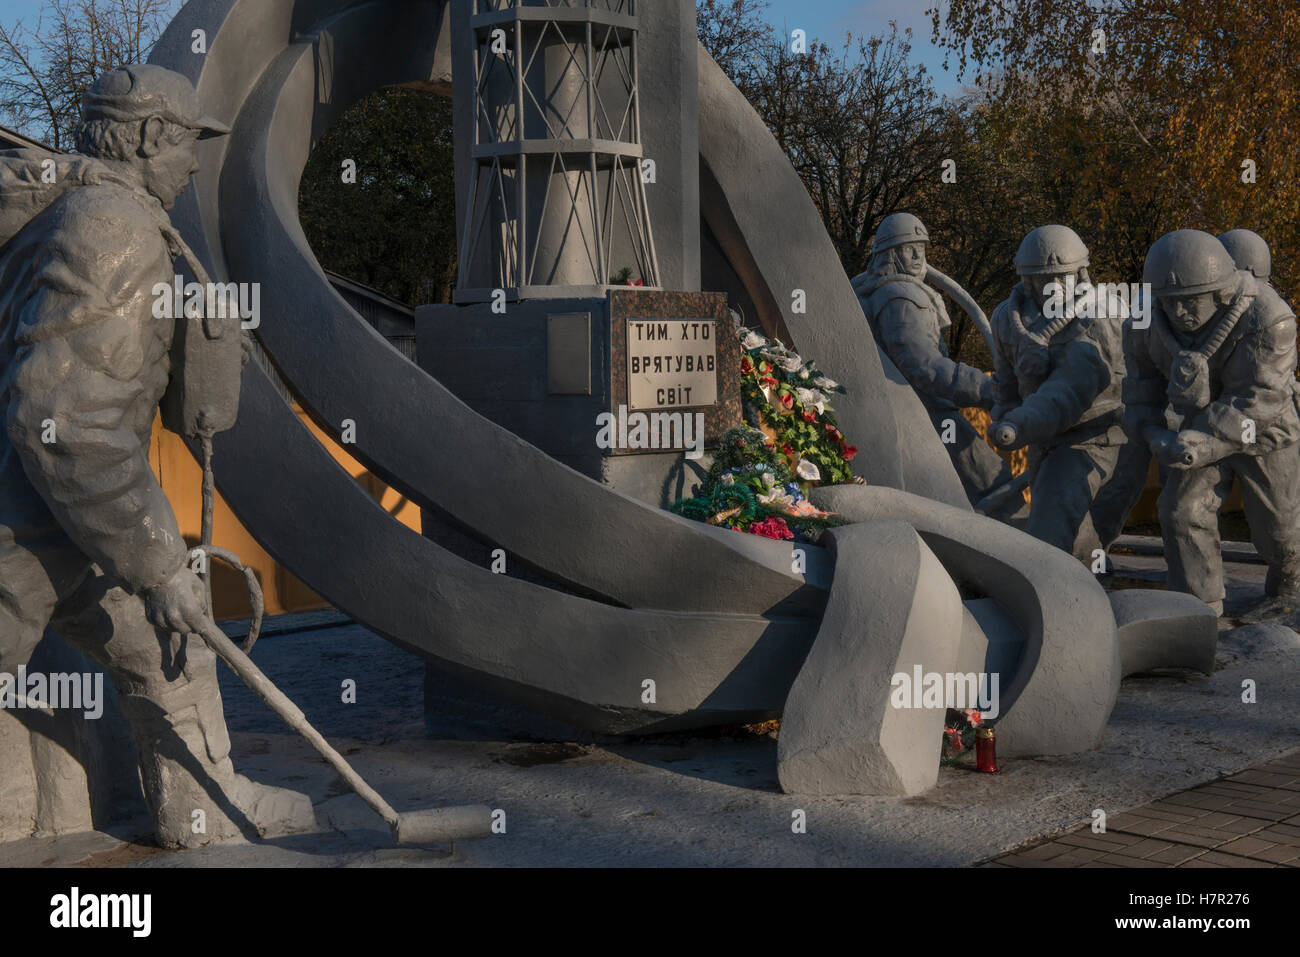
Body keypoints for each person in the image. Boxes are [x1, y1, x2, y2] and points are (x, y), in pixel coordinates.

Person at [0, 64, 311, 846]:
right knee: (167, 612)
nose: (194, 163)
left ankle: (205, 805)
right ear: (145, 137)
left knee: (173, 643)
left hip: (68, 520)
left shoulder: (86, 213)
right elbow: (65, 419)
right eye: (185, 144)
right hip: (28, 520)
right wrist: (157, 561)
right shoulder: (114, 229)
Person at [1123, 229, 1300, 614]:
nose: (1178, 313)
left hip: (1264, 431)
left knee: (1280, 529)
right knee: (1180, 510)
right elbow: (1140, 392)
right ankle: (1198, 608)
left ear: (1221, 293)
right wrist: (1153, 434)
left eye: (1189, 302)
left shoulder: (1271, 319)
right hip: (1196, 430)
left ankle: (1289, 593)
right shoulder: (1143, 321)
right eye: (1168, 303)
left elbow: (1258, 400)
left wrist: (1198, 442)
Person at [988, 225, 1148, 564]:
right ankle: (1079, 600)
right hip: (1042, 438)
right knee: (1075, 544)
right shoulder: (1007, 318)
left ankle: (1064, 598)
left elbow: (1070, 392)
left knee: (1054, 530)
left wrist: (1019, 422)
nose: (1054, 288)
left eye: (1062, 277)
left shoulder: (1103, 315)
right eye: (1043, 279)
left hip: (1101, 439)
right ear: (1026, 279)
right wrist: (1005, 409)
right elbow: (1005, 381)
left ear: (1080, 273)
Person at [853, 212, 1017, 513]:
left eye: (921, 247)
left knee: (993, 490)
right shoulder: (899, 297)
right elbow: (925, 368)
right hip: (927, 415)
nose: (917, 255)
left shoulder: (892, 292)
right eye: (907, 247)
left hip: (920, 414)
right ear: (890, 254)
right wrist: (989, 389)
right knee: (998, 491)